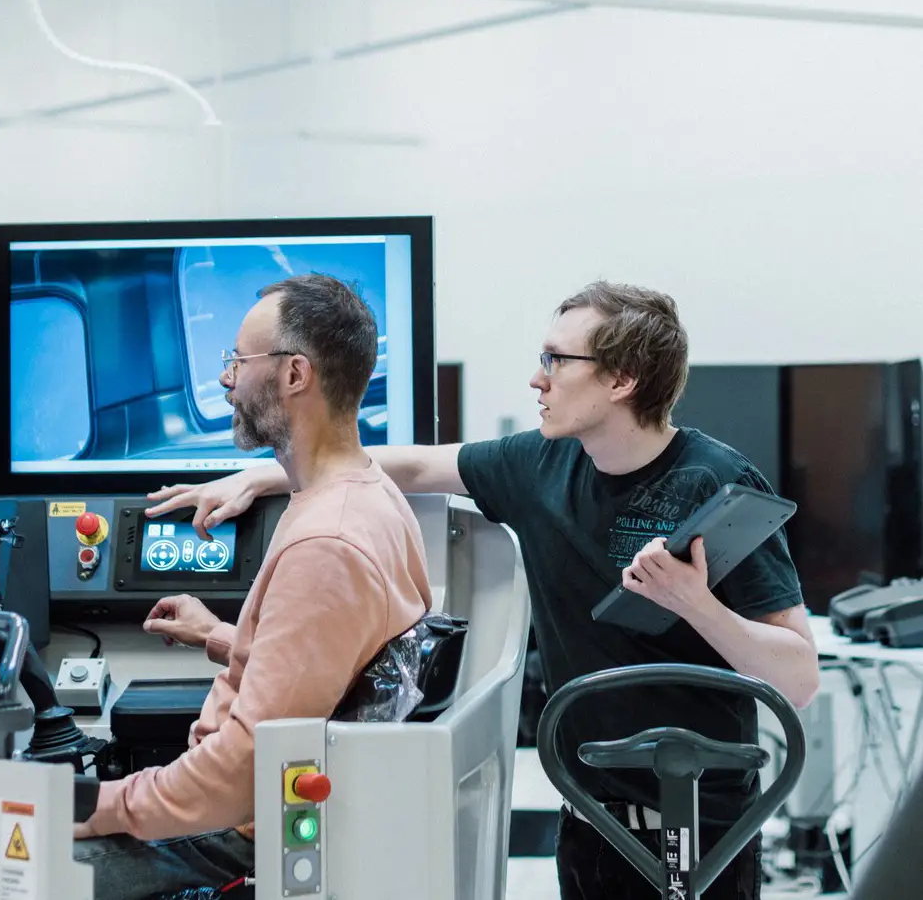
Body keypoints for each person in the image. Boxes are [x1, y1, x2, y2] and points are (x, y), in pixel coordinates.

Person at [146, 280, 820, 900]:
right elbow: (409, 462)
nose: (536, 377)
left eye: (557, 360)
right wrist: (264, 475)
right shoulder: (539, 462)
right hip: (588, 817)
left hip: (701, 823)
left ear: (620, 378)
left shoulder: (713, 481)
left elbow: (796, 675)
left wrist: (693, 602)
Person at [73, 274, 433, 899]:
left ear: (295, 375)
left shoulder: (327, 542)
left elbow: (244, 773)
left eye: (237, 362)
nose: (225, 380)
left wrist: (95, 805)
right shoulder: (368, 496)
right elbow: (326, 668)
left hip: (233, 835)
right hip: (235, 810)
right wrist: (219, 634)